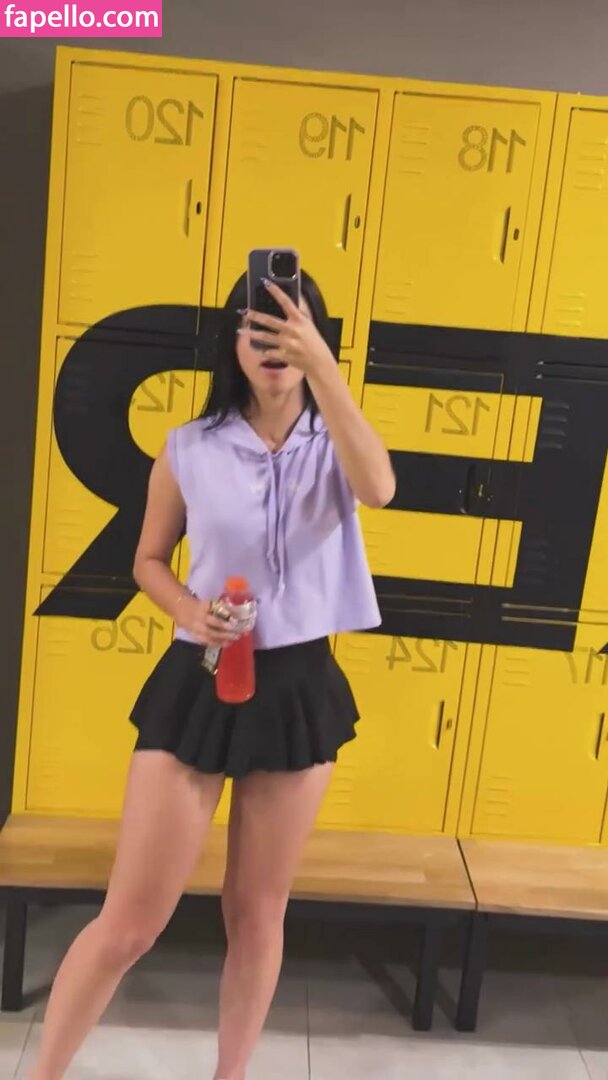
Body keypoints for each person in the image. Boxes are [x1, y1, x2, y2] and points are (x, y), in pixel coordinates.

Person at [30, 270, 396, 1080]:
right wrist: (190, 611)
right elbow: (148, 560)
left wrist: (325, 371)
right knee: (129, 922)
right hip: (199, 676)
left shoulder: (337, 441)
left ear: (316, 340)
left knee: (257, 915)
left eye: (290, 328)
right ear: (232, 344)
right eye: (255, 329)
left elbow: (380, 487)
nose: (272, 345)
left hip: (297, 688)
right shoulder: (190, 447)